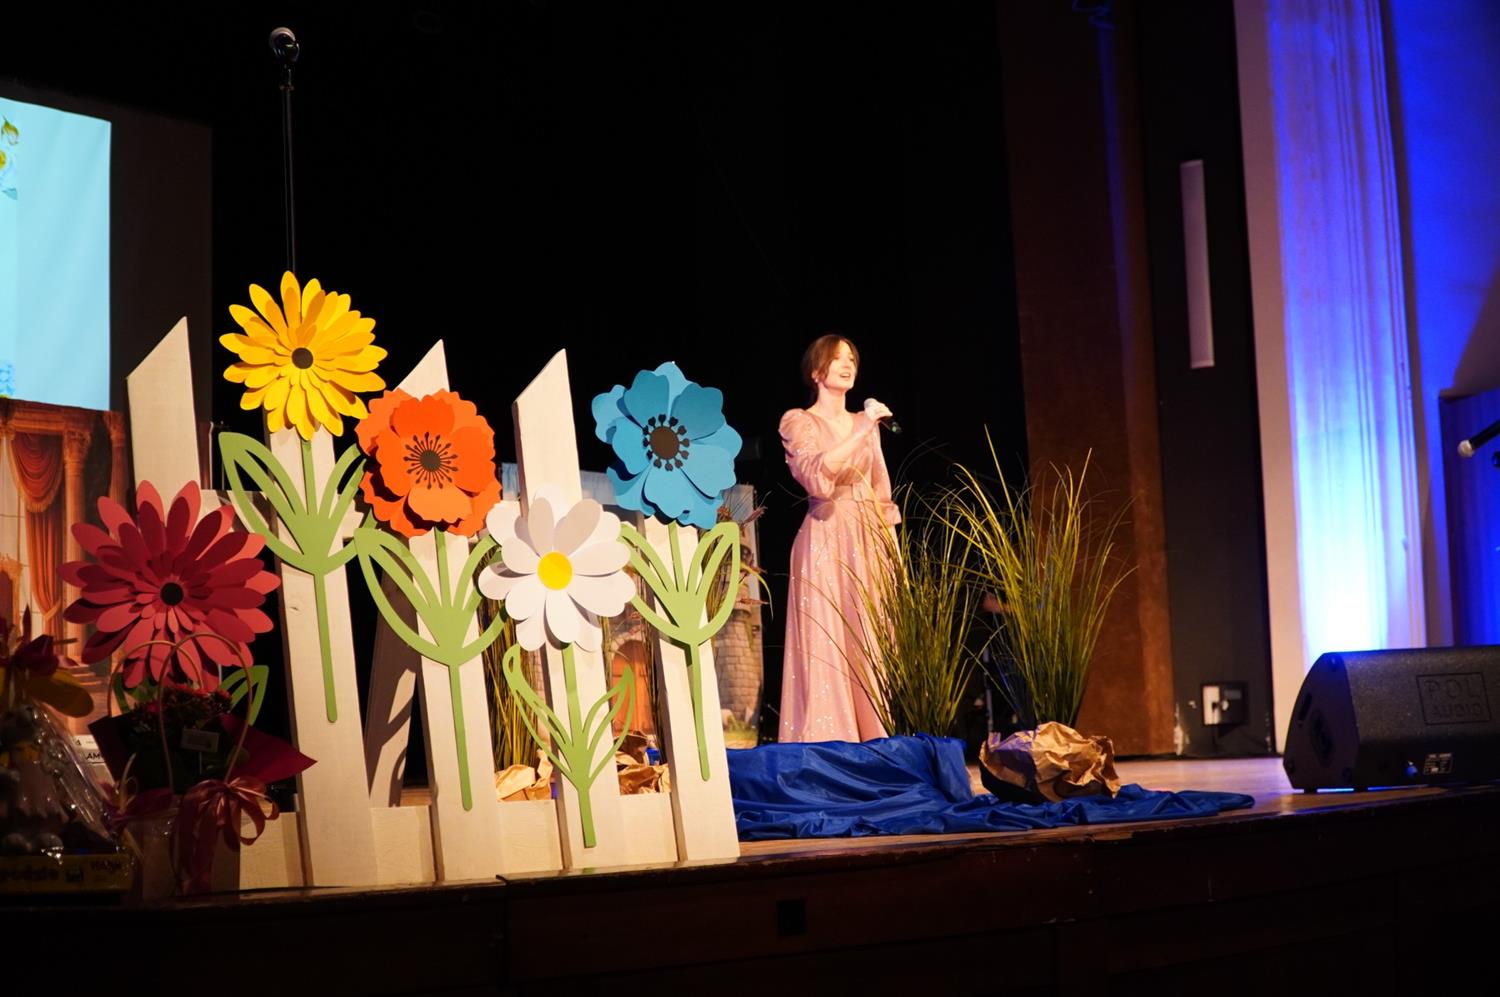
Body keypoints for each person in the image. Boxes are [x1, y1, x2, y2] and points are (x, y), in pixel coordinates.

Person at [777, 334, 900, 743]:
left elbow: (880, 488)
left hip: (868, 535)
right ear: (816, 371)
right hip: (826, 534)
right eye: (837, 358)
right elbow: (817, 476)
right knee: (826, 639)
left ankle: (876, 737)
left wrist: (891, 545)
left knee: (870, 636)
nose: (847, 365)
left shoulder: (866, 424)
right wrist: (862, 430)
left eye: (852, 358)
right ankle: (828, 741)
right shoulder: (798, 420)